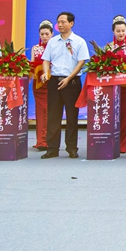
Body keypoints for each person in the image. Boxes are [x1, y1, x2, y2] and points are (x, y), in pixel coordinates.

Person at [40, 12, 89, 159]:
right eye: (58, 22)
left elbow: (81, 62)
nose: (60, 25)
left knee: (72, 116)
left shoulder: (79, 42)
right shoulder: (52, 42)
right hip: (54, 81)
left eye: (63, 22)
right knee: (53, 116)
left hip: (72, 83)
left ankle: (71, 148)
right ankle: (52, 148)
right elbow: (46, 60)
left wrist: (68, 78)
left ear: (71, 23)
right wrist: (46, 73)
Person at [104, 15, 126, 154]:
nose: (121, 33)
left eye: (123, 30)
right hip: (113, 87)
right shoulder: (109, 46)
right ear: (113, 31)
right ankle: (111, 143)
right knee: (112, 115)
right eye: (118, 31)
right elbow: (105, 65)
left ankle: (124, 145)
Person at [30, 20, 54, 151]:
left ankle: (50, 139)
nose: (44, 36)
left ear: (52, 34)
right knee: (40, 111)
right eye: (42, 34)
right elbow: (32, 64)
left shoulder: (56, 47)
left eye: (47, 34)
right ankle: (41, 140)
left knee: (51, 111)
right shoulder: (35, 48)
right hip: (39, 84)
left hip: (53, 83)